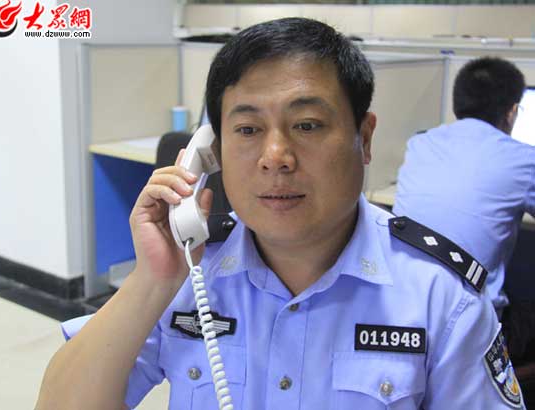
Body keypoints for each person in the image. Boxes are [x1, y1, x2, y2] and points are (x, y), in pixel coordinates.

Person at [36, 19, 524, 410]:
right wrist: (152, 280)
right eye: (247, 130)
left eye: (307, 125)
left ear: (364, 138)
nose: (276, 157)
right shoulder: (190, 272)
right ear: (212, 150)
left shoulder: (442, 298)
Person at [392, 57, 535, 358]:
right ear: (511, 112)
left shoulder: (420, 144)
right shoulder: (523, 159)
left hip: (403, 315)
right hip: (474, 331)